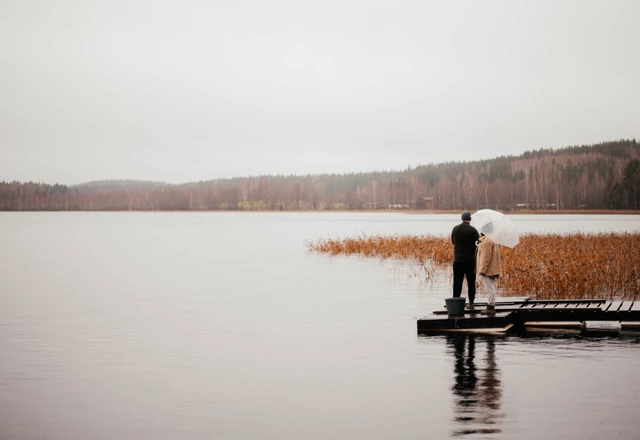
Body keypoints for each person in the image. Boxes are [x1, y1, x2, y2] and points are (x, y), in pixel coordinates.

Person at [451, 211, 480, 309]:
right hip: (470, 260)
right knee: (471, 282)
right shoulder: (473, 230)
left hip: (457, 260)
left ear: (462, 218)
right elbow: (477, 244)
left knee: (457, 282)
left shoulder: (455, 229)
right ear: (470, 219)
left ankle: (455, 302)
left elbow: (453, 242)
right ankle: (471, 303)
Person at [476, 230, 502, 315]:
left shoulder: (488, 240)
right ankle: (490, 305)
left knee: (489, 288)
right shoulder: (492, 238)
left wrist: (482, 270)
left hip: (489, 269)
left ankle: (490, 307)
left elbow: (485, 257)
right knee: (491, 287)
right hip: (493, 268)